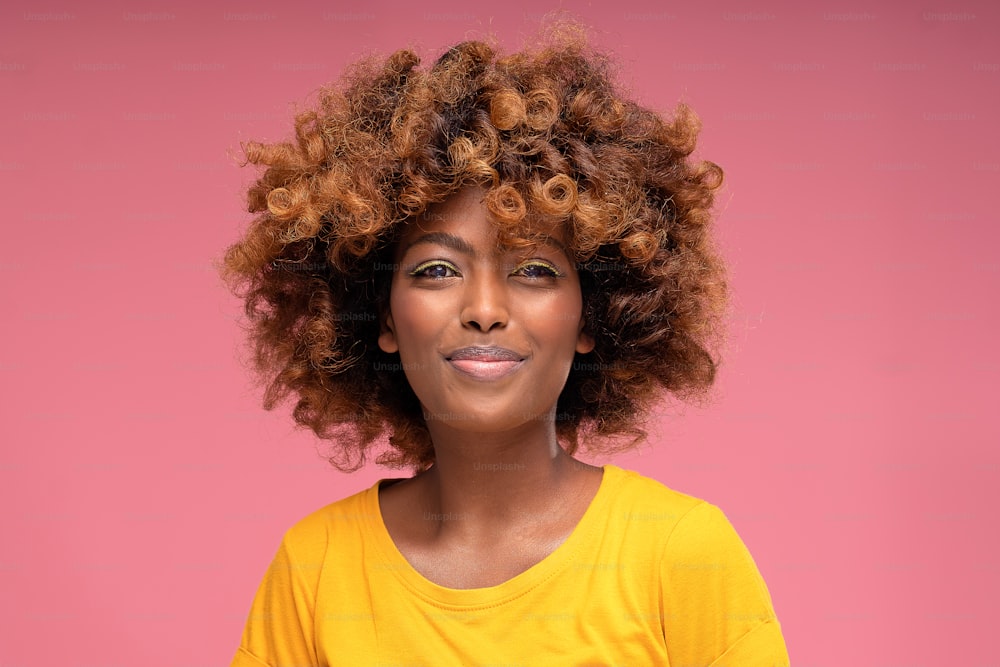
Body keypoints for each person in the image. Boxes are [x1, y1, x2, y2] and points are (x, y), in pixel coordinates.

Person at [221, 22, 789, 667]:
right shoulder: (317, 566)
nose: (485, 311)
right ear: (379, 316)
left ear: (590, 317)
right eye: (437, 270)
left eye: (533, 270)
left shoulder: (680, 552)